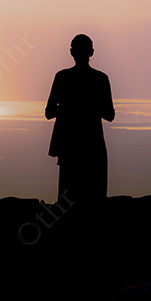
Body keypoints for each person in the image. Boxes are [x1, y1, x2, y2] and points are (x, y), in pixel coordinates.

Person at [45, 34, 115, 206]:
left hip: (70, 148)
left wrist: (69, 106)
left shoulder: (62, 77)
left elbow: (49, 112)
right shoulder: (100, 79)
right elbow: (110, 115)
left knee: (67, 203)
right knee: (95, 200)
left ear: (71, 52)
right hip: (93, 148)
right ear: (92, 52)